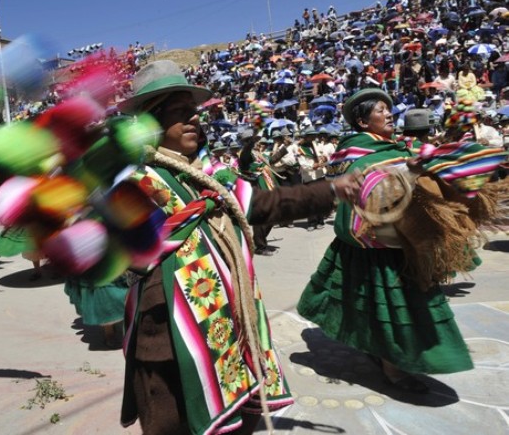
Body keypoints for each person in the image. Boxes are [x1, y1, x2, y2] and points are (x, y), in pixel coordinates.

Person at [116, 60, 362, 435]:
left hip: (218, 315)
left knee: (218, 397)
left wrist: (331, 189)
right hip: (164, 325)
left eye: (194, 113)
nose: (194, 121)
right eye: (181, 114)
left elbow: (267, 203)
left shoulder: (210, 177)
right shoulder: (137, 180)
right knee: (168, 412)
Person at [297, 88, 489, 394]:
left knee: (378, 307)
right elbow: (367, 191)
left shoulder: (395, 147)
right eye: (380, 110)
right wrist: (407, 172)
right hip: (371, 244)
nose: (389, 114)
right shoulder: (353, 152)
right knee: (393, 307)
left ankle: (383, 354)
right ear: (362, 121)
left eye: (389, 109)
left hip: (399, 241)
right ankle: (395, 372)